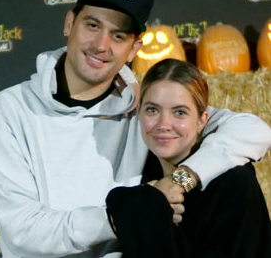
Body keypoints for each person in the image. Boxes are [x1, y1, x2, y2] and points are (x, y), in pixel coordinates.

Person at [0, 0, 270, 257]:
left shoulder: (144, 109)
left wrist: (181, 179)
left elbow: (252, 132)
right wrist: (124, 215)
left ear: (134, 49)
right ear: (69, 22)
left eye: (118, 35)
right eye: (92, 25)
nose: (101, 45)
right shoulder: (8, 112)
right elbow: (24, 230)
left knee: (236, 178)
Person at [106, 58, 271, 258]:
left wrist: (169, 189)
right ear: (138, 112)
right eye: (152, 110)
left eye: (180, 112)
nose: (164, 124)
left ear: (203, 120)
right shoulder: (137, 179)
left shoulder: (234, 183)